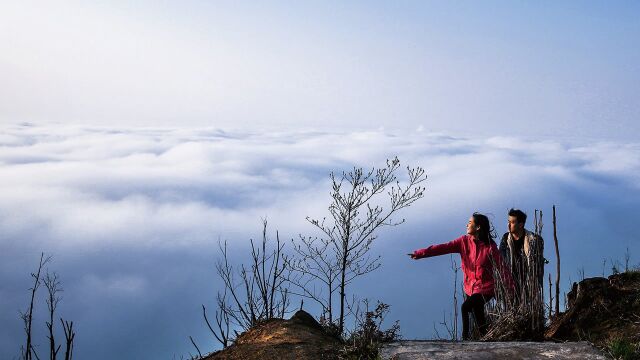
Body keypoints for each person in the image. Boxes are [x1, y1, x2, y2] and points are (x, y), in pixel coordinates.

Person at [409, 213, 513, 340]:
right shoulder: (463, 242)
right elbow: (443, 248)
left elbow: (503, 268)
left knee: (465, 307)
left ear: (478, 227)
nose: (467, 224)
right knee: (479, 317)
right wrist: (421, 253)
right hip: (470, 287)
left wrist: (511, 288)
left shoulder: (490, 247)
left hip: (486, 288)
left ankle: (465, 339)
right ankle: (486, 340)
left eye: (470, 222)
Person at [499, 209, 545, 303]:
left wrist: (536, 283)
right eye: (508, 222)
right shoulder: (505, 239)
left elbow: (539, 265)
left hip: (528, 282)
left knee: (527, 308)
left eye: (512, 222)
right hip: (510, 282)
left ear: (521, 224)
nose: (508, 225)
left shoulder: (535, 240)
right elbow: (500, 261)